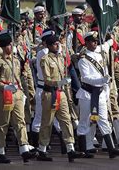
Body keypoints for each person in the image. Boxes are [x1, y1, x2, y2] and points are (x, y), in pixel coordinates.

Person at [37, 34, 85, 162]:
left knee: (66, 120)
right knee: (47, 122)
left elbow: (64, 73)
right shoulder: (45, 59)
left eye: (58, 43)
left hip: (61, 93)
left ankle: (71, 149)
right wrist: (58, 82)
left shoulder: (61, 58)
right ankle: (42, 149)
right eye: (54, 44)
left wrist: (64, 84)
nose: (57, 46)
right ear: (48, 46)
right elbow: (47, 79)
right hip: (49, 94)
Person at [0, 31, 37, 163]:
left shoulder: (16, 60)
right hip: (4, 94)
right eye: (9, 45)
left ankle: (24, 149)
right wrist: (5, 87)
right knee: (3, 123)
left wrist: (21, 92)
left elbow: (20, 78)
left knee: (20, 121)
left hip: (16, 93)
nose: (12, 47)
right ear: (4, 46)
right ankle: (1, 151)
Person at [76, 31, 119, 158]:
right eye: (92, 41)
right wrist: (101, 81)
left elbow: (105, 74)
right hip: (88, 94)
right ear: (86, 43)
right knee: (84, 122)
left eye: (96, 41)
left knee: (103, 120)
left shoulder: (100, 56)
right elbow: (85, 78)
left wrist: (106, 86)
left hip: (100, 93)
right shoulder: (83, 59)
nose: (95, 43)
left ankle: (111, 149)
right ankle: (83, 150)